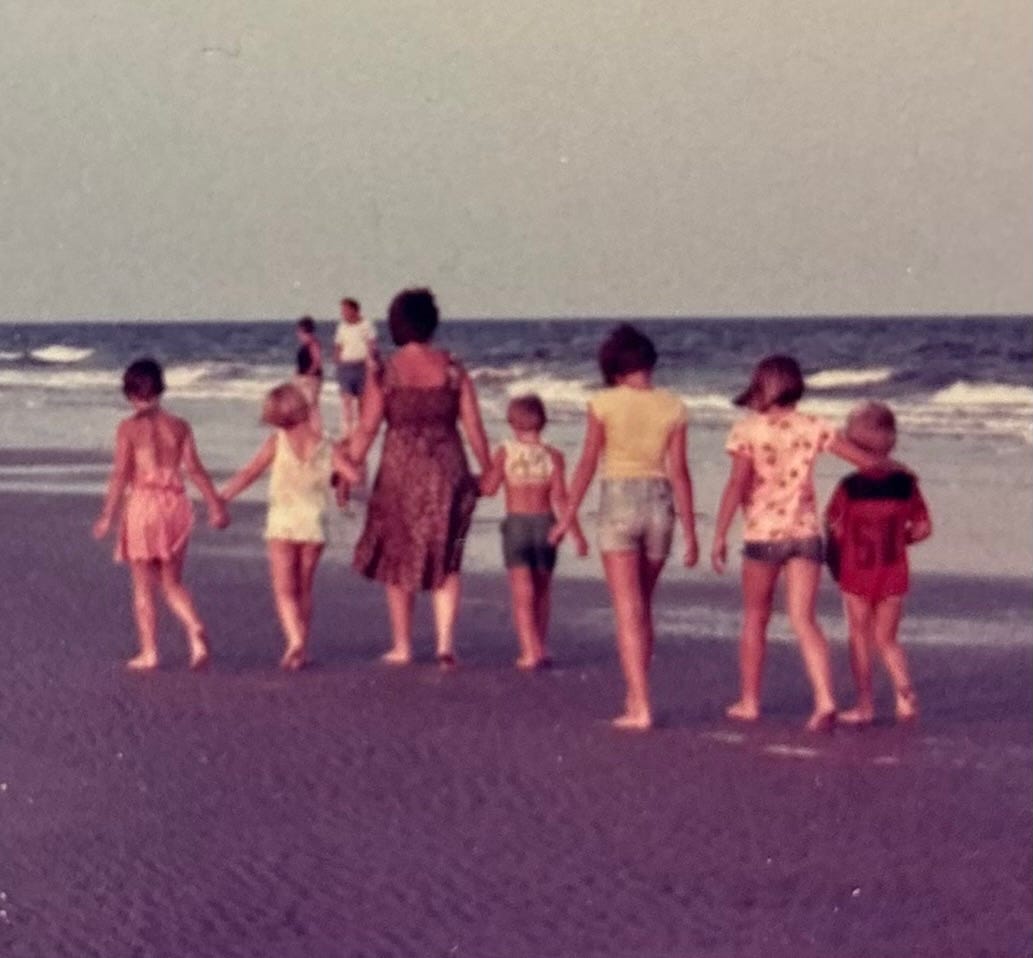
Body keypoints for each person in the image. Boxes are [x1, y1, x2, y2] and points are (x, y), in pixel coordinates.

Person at [710, 355, 891, 732]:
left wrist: (720, 533)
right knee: (804, 619)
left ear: (762, 387)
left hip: (762, 535)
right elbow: (865, 463)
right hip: (805, 535)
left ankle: (750, 701)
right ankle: (825, 698)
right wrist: (893, 468)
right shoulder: (813, 425)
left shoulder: (747, 430)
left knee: (755, 617)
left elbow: (737, 484)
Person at [551, 324, 699, 730]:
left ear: (614, 369)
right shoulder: (674, 406)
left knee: (627, 610)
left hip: (618, 500)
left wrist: (567, 517)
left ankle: (641, 704)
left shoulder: (603, 403)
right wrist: (691, 531)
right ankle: (636, 694)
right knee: (643, 606)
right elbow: (680, 472)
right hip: (660, 503)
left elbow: (587, 463)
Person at [347, 287, 491, 669]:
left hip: (401, 470)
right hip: (449, 469)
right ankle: (445, 644)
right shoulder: (454, 369)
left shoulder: (386, 372)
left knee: (398, 557)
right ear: (431, 323)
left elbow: (367, 428)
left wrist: (347, 468)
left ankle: (403, 645)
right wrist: (489, 470)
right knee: (449, 556)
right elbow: (474, 427)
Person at [92, 357, 228, 670]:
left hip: (144, 504)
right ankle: (193, 627)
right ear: (161, 389)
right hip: (175, 504)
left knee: (142, 585)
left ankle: (149, 652)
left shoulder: (128, 428)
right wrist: (215, 504)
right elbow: (195, 470)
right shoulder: (179, 426)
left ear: (129, 394)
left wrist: (107, 515)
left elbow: (121, 474)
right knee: (172, 581)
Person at [220, 383, 354, 671]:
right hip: (314, 523)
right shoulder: (327, 445)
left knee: (284, 590)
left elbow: (250, 472)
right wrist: (343, 482)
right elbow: (352, 474)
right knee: (304, 588)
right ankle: (301, 649)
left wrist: (223, 497)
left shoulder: (277, 442)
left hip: (282, 522)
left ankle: (294, 641)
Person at [825, 402, 931, 725]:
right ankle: (904, 694)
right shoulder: (906, 485)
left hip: (857, 571)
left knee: (859, 636)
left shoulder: (849, 487)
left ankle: (865, 704)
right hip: (893, 571)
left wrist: (835, 559)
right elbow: (923, 528)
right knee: (887, 639)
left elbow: (834, 527)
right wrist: (899, 540)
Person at [480, 394, 589, 669]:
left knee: (522, 592)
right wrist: (576, 534)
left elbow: (489, 488)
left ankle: (530, 651)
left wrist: (472, 482)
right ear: (543, 422)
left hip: (517, 525)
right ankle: (541, 645)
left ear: (512, 422)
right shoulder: (554, 455)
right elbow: (561, 498)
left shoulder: (505, 451)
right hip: (546, 525)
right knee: (542, 589)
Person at [333, 297, 377, 437]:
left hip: (361, 365)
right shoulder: (342, 327)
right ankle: (347, 432)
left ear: (354, 310)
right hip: (346, 366)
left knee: (362, 401)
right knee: (346, 401)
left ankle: (361, 430)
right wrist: (337, 360)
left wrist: (371, 361)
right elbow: (338, 345)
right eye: (342, 311)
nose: (343, 313)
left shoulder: (366, 324)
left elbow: (371, 344)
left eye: (345, 310)